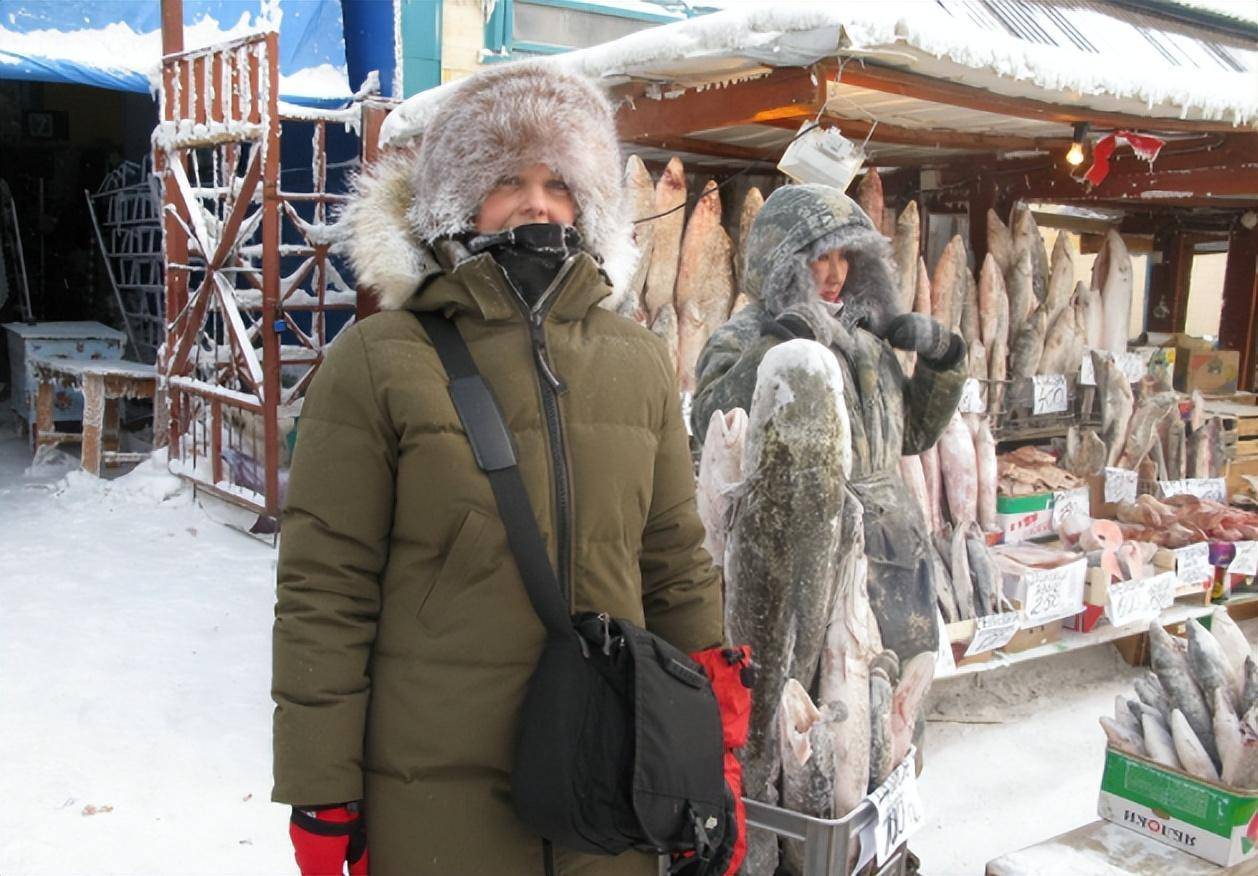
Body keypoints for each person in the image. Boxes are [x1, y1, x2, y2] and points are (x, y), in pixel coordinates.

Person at [271, 62, 734, 876]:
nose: (537, 203)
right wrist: (323, 787)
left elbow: (675, 567)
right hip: (437, 802)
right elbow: (326, 589)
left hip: (609, 793)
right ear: (457, 197)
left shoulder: (637, 362)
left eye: (560, 182)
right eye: (508, 178)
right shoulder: (378, 361)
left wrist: (712, 753)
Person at [691, 184, 966, 665]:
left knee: (898, 705)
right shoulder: (742, 336)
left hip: (893, 555)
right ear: (785, 258)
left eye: (846, 256)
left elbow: (914, 436)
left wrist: (943, 360)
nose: (836, 273)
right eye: (820, 257)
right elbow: (710, 423)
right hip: (802, 552)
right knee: (814, 706)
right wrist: (775, 348)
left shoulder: (867, 338)